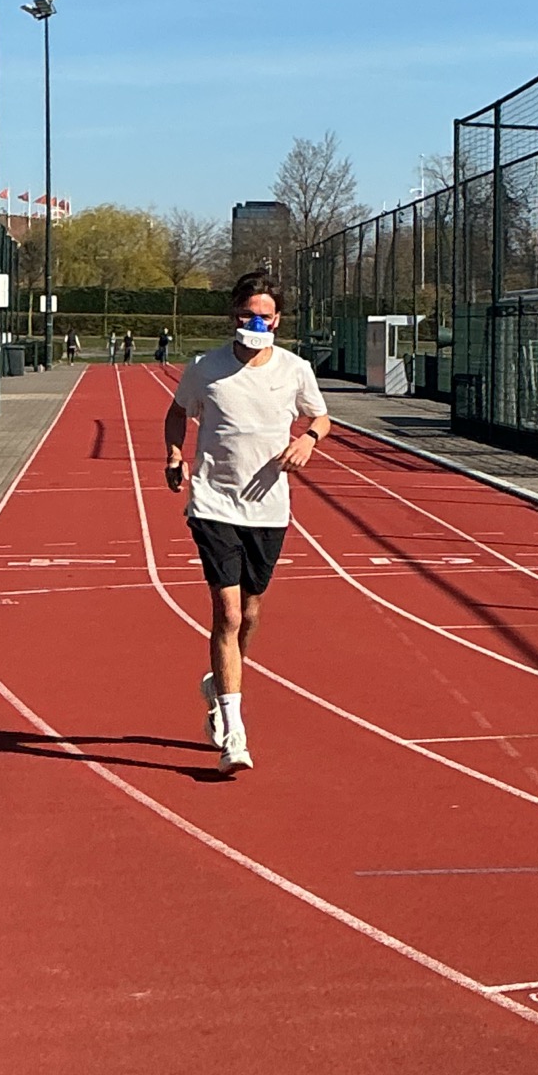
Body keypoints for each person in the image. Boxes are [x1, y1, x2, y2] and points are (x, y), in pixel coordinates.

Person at [162, 271, 330, 775]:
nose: (255, 322)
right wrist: (174, 453)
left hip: (269, 508)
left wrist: (309, 440)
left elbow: (321, 417)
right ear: (233, 316)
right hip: (214, 502)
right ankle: (234, 730)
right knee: (228, 613)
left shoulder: (295, 369)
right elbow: (176, 414)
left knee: (251, 614)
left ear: (277, 319)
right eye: (245, 314)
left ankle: (219, 682)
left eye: (264, 315)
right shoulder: (205, 368)